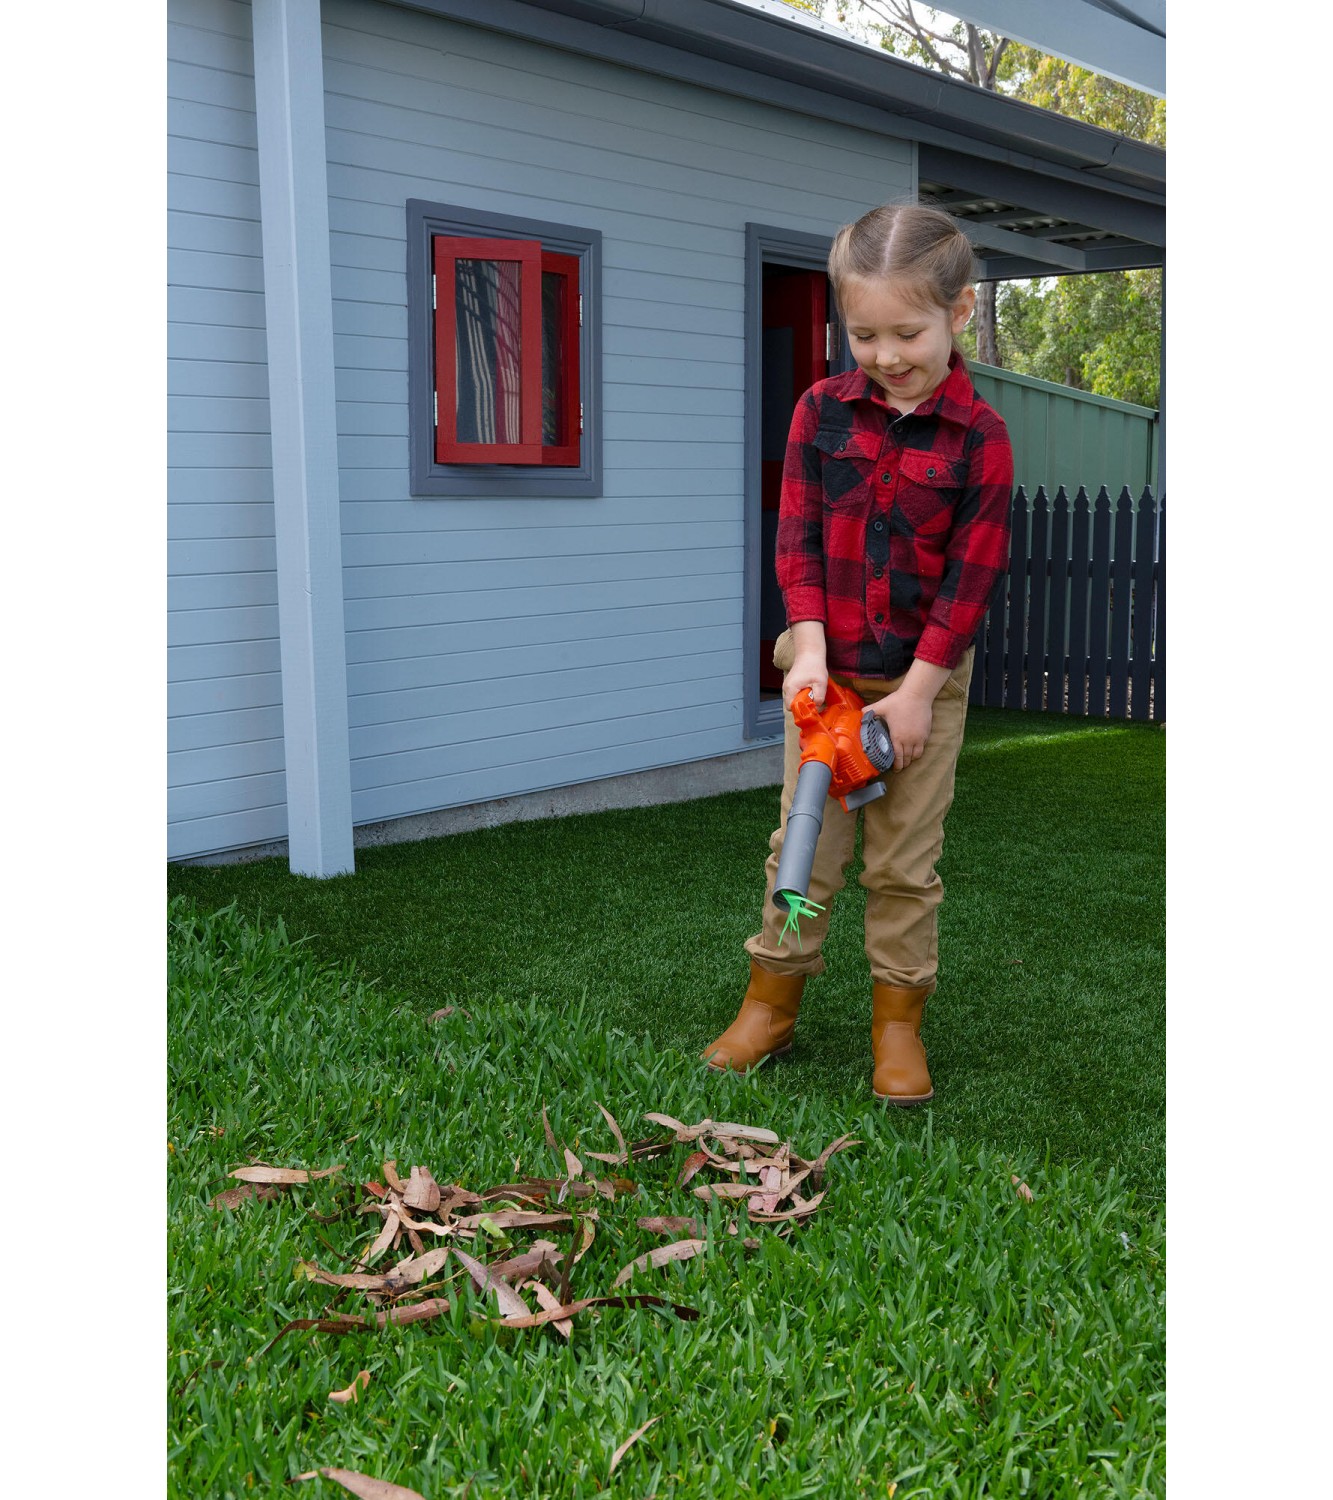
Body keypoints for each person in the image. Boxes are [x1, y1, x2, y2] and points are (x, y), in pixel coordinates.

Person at [703, 202, 1014, 1104]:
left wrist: (916, 696)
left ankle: (897, 1027)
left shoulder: (980, 439)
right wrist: (804, 651)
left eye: (906, 333)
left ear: (958, 313)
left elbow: (969, 582)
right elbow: (796, 540)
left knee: (902, 867)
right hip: (825, 683)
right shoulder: (819, 413)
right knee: (801, 852)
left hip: (920, 689)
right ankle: (770, 1003)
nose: (884, 355)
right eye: (863, 333)